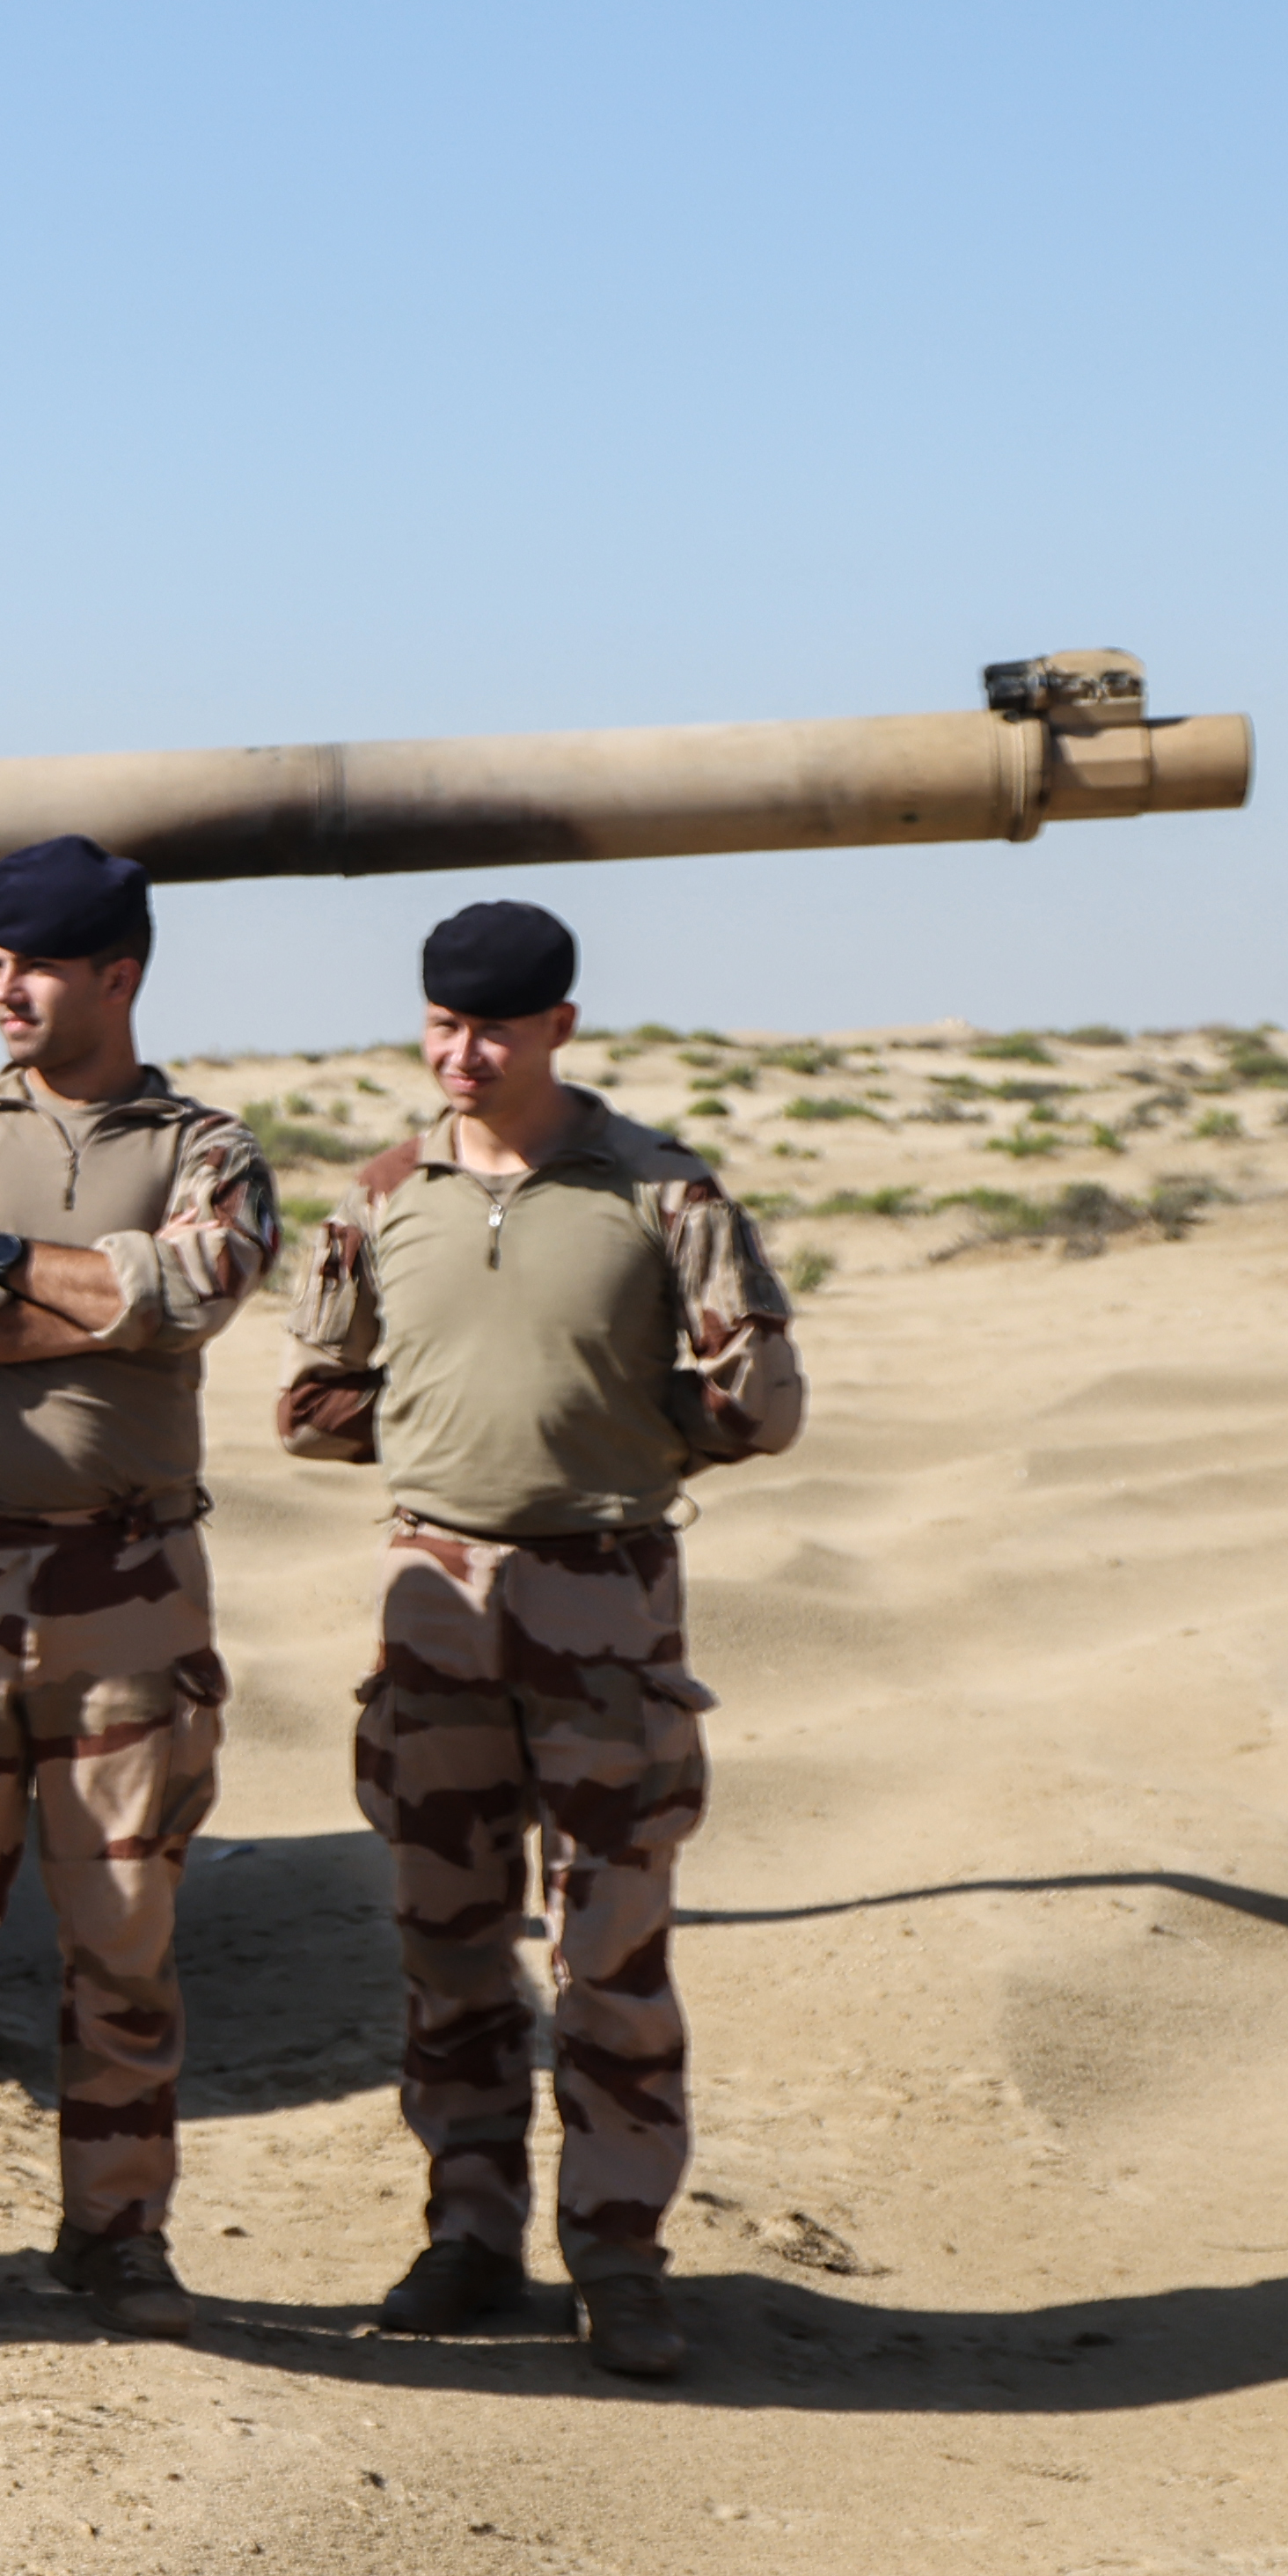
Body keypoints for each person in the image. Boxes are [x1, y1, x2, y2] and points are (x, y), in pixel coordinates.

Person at [276, 899, 804, 2383]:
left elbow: (760, 1401)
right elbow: (314, 1402)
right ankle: (469, 2231)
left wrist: (619, 1443)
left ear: (560, 1025)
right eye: (442, 1027)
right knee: (446, 1943)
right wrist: (452, 1447)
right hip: (433, 1606)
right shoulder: (384, 1198)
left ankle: (620, 2253)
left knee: (609, 1958)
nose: (464, 1054)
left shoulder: (658, 1196)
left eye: (494, 1028)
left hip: (605, 1601)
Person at [0, 836, 279, 2338]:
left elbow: (202, 1286)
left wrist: (6, 1271)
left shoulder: (206, 1143)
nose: (4, 990)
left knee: (126, 1944)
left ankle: (118, 2239)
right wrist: (102, 1287)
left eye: (31, 966)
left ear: (117, 975)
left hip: (131, 1594)